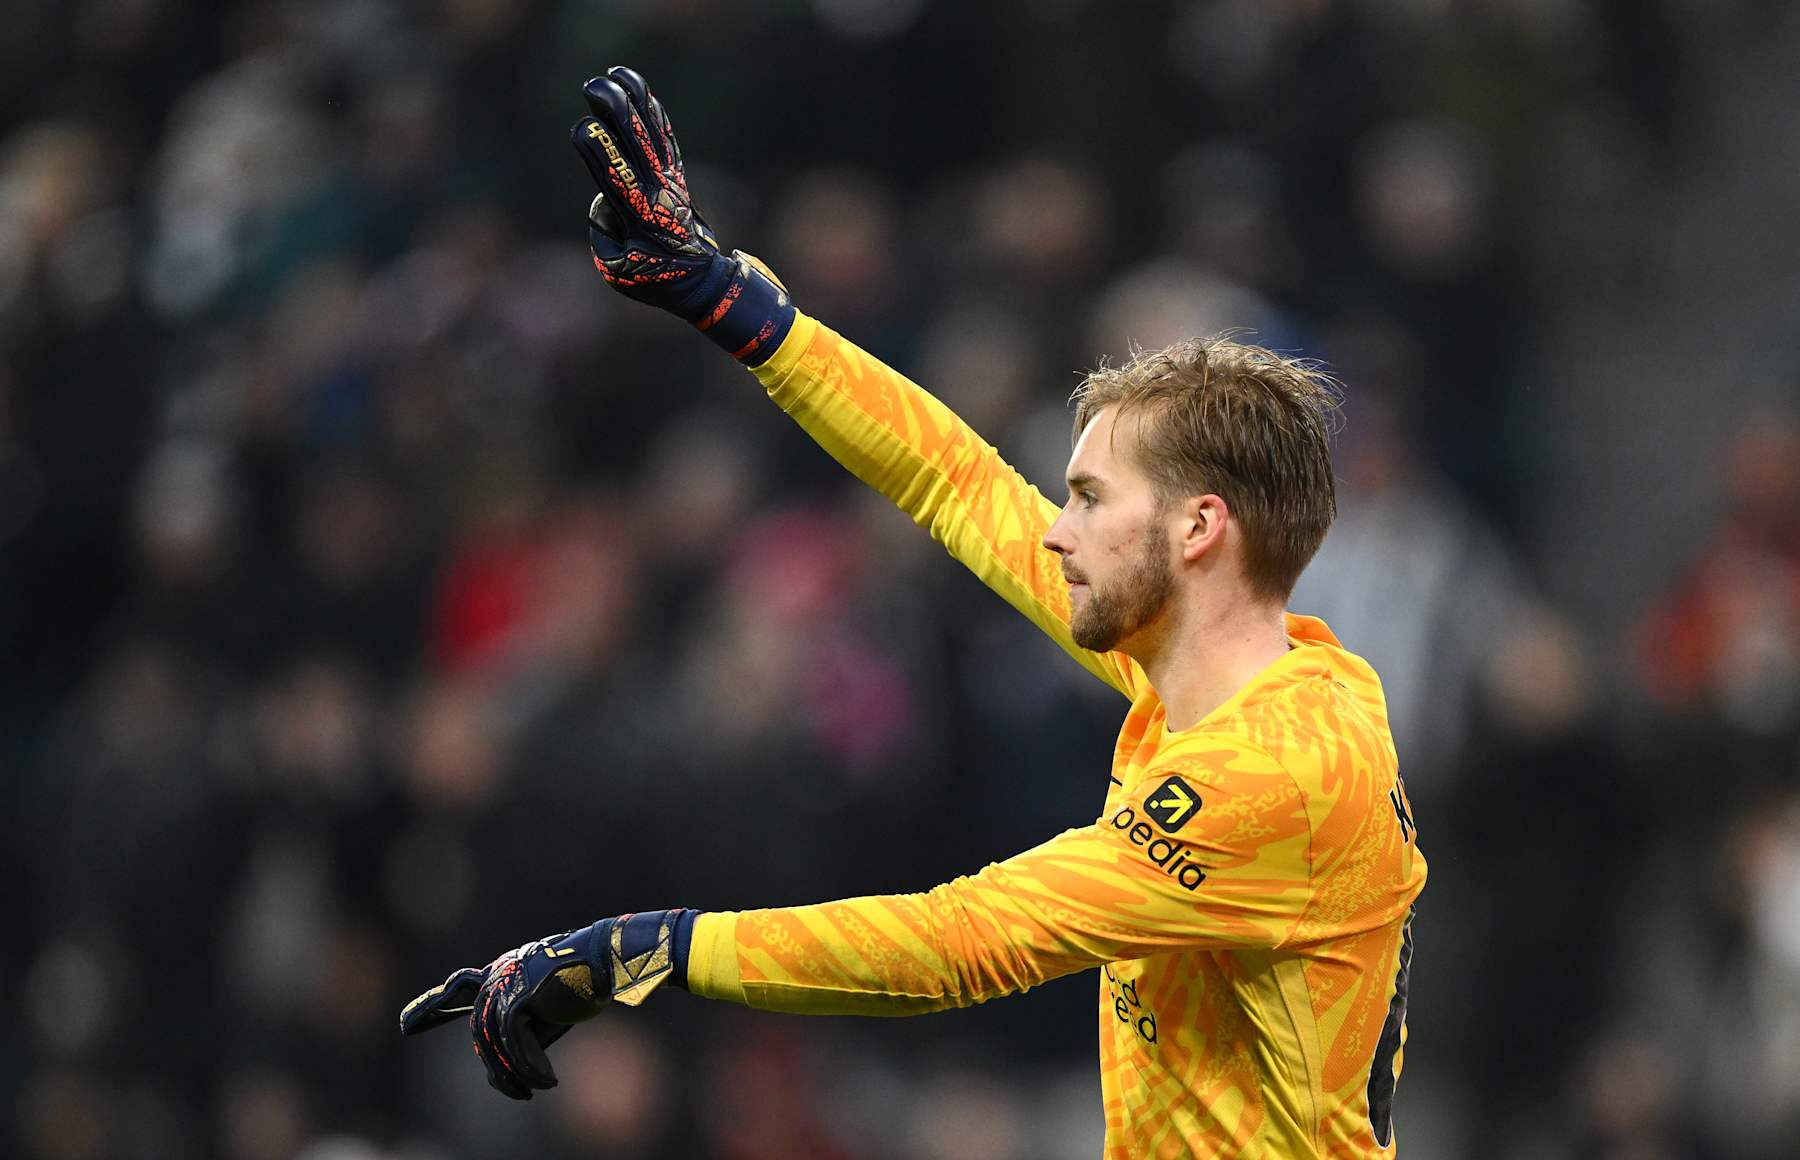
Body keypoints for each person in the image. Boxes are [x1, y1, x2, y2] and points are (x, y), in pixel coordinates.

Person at [401, 68, 1426, 1158]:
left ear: (1198, 529)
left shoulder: (1274, 775)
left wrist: (636, 948)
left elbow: (954, 945)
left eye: (1087, 499)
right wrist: (731, 301)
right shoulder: (1227, 671)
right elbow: (957, 483)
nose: (1054, 531)